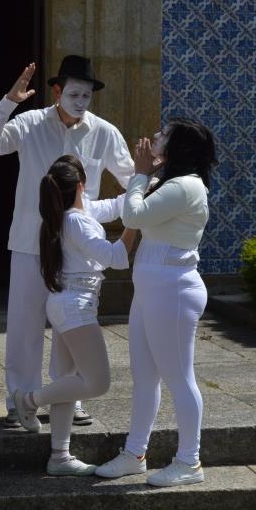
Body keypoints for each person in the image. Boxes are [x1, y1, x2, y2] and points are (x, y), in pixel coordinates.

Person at [0, 55, 134, 428]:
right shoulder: (30, 123)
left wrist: (148, 201)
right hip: (31, 241)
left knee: (74, 327)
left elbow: (132, 179)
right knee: (24, 325)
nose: (81, 101)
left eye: (87, 95)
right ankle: (19, 398)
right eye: (74, 93)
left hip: (77, 248)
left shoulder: (104, 132)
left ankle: (70, 396)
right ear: (58, 91)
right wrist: (10, 100)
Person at [95, 118, 217, 487]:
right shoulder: (167, 183)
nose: (155, 136)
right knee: (145, 377)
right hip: (152, 290)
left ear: (178, 149)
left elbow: (132, 215)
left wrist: (140, 172)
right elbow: (129, 206)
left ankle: (189, 461)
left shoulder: (185, 187)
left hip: (174, 291)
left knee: (180, 378)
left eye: (164, 134)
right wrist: (143, 175)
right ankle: (135, 453)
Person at [13, 155, 136, 475]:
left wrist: (143, 183)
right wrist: (135, 222)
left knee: (67, 381)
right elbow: (116, 257)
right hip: (75, 306)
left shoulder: (74, 214)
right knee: (98, 383)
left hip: (70, 302)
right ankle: (28, 400)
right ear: (82, 184)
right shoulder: (77, 221)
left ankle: (60, 456)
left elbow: (113, 206)